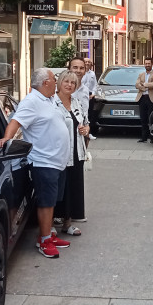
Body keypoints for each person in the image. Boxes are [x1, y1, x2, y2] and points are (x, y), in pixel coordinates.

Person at [0, 68, 71, 258]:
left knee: (52, 200)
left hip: (57, 160)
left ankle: (47, 234)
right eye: (54, 79)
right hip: (43, 160)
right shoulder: (31, 101)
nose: (56, 82)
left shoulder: (49, 99)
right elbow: (16, 121)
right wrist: (7, 139)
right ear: (46, 82)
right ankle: (45, 240)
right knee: (46, 202)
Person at [53, 70, 90, 236]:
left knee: (72, 187)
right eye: (66, 82)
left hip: (77, 152)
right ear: (59, 83)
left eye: (73, 83)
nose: (69, 85)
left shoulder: (76, 101)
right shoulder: (51, 103)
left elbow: (86, 123)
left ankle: (67, 223)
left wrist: (86, 129)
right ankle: (52, 222)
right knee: (58, 188)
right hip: (58, 153)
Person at [135, 56, 153, 144]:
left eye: (149, 64)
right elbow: (136, 85)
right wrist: (144, 87)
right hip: (142, 98)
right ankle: (144, 137)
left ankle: (152, 137)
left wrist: (144, 84)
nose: (147, 65)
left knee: (151, 118)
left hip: (151, 99)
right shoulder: (141, 74)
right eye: (146, 64)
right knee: (143, 118)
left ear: (152, 64)